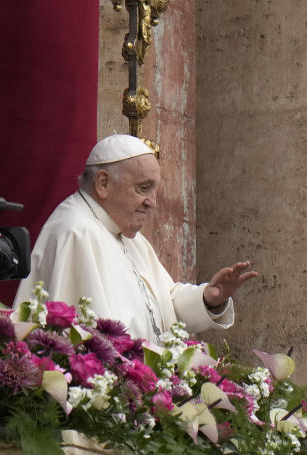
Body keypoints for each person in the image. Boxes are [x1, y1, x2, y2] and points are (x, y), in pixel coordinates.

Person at [14, 134, 258, 342]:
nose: (152, 202)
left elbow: (165, 303)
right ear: (103, 183)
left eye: (154, 190)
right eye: (143, 188)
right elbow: (84, 342)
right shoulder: (74, 232)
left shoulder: (129, 236)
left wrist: (208, 298)